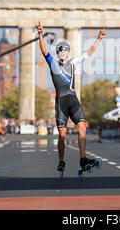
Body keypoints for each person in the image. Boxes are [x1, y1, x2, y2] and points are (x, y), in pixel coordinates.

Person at [37, 20, 106, 173]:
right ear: (58, 53)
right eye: (60, 51)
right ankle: (61, 161)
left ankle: (82, 158)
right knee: (62, 134)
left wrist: (99, 38)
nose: (62, 54)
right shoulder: (53, 63)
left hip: (73, 100)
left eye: (64, 51)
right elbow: (43, 50)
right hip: (61, 102)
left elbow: (89, 52)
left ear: (68, 53)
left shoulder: (74, 63)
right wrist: (40, 34)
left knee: (82, 126)